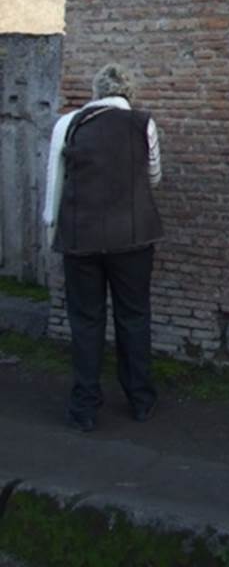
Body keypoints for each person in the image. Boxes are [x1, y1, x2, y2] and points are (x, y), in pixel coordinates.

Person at [43, 63, 163, 432]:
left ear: (96, 91)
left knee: (85, 321)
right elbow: (154, 176)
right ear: (128, 93)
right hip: (133, 238)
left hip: (81, 238)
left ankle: (84, 407)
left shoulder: (68, 124)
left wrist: (51, 231)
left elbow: (53, 186)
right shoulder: (143, 123)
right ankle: (140, 399)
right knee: (134, 316)